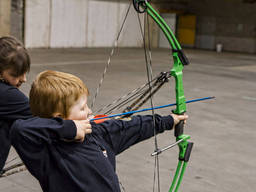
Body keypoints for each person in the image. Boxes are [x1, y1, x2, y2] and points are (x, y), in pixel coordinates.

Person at [10, 70, 188, 192]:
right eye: (82, 108)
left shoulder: (98, 133)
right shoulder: (47, 154)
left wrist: (168, 121)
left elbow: (133, 126)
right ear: (60, 117)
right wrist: (70, 129)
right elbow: (20, 130)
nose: (89, 112)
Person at [0, 36, 91, 173]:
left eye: (24, 72)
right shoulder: (6, 94)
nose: (24, 79)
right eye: (16, 75)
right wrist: (72, 127)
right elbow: (42, 116)